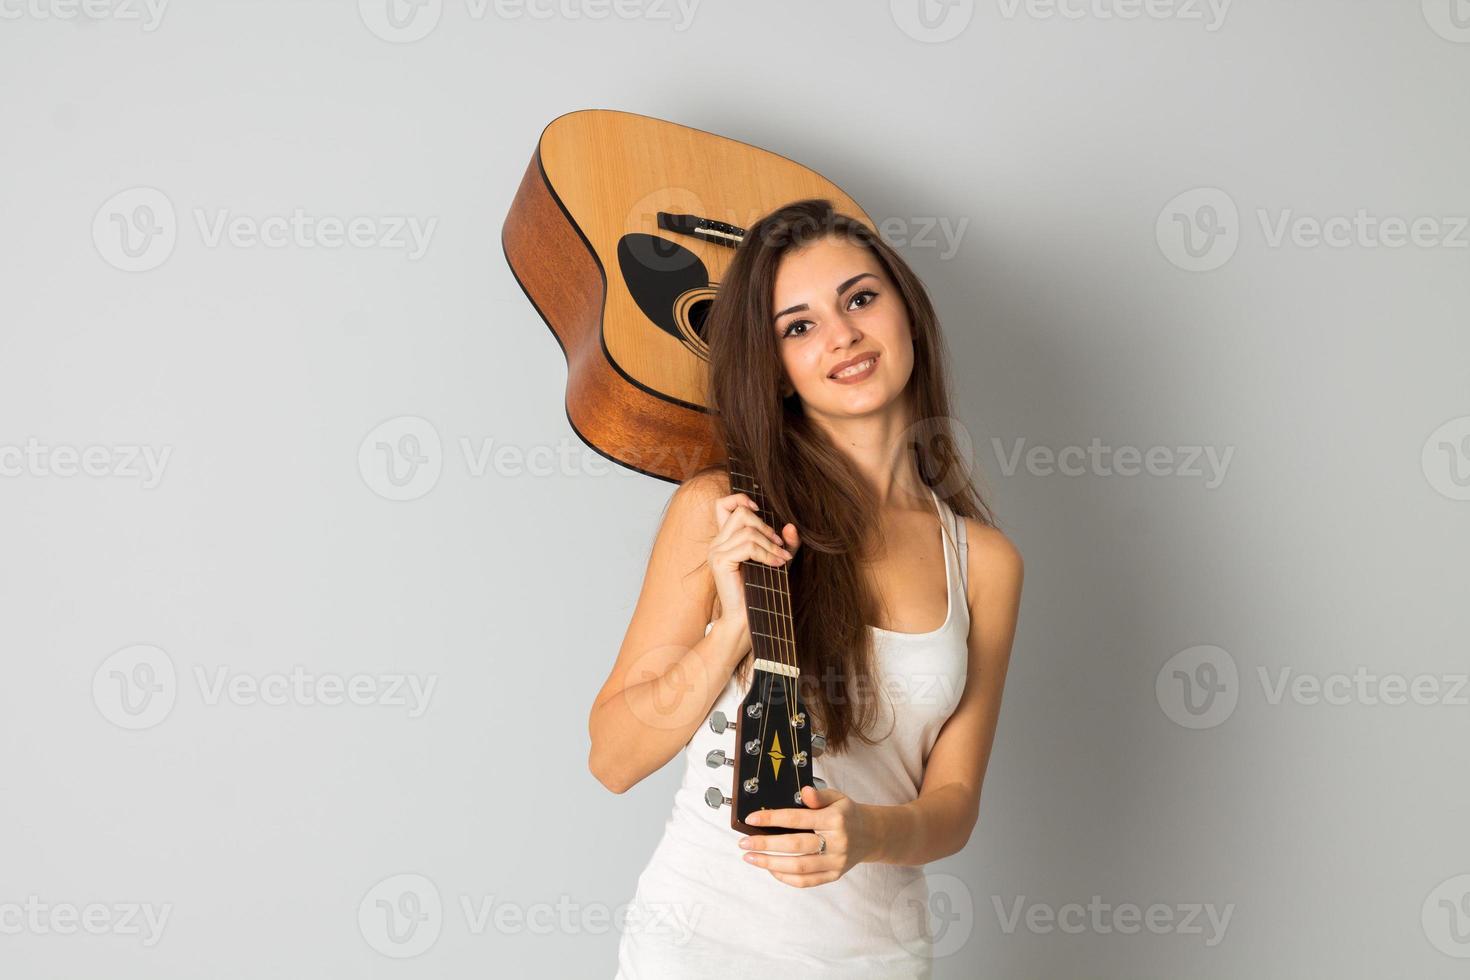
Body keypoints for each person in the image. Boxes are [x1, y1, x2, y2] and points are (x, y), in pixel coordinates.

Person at [589, 199, 1024, 978]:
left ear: (908, 314)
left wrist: (870, 836)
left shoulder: (984, 562)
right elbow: (613, 759)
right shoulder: (721, 512)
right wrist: (730, 633)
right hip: (695, 948)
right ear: (777, 369)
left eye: (859, 298)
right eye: (798, 326)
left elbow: (953, 802)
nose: (842, 335)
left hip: (875, 958)